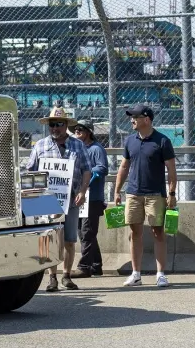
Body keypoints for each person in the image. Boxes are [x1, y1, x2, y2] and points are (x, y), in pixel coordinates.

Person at [111, 104, 177, 289]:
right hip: (133, 193)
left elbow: (171, 170)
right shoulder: (130, 140)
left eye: (135, 116)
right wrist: (117, 191)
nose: (131, 120)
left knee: (158, 233)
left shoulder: (163, 141)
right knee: (135, 233)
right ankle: (136, 274)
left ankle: (161, 274)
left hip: (156, 195)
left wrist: (171, 193)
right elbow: (124, 167)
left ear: (146, 119)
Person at [25, 108, 87, 290]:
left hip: (71, 198)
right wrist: (32, 199)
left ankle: (66, 275)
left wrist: (83, 191)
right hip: (46, 200)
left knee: (69, 240)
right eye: (52, 124)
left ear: (66, 125)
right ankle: (51, 277)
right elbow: (31, 171)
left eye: (59, 124)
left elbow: (86, 170)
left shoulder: (78, 145)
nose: (55, 128)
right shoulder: (40, 146)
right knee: (48, 239)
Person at [72, 121, 108, 277]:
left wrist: (86, 172)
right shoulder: (77, 149)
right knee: (84, 232)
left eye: (81, 129)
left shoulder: (96, 149)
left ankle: (84, 266)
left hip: (92, 197)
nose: (77, 131)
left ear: (89, 132)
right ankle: (96, 265)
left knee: (87, 232)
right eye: (76, 130)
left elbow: (102, 168)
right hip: (80, 196)